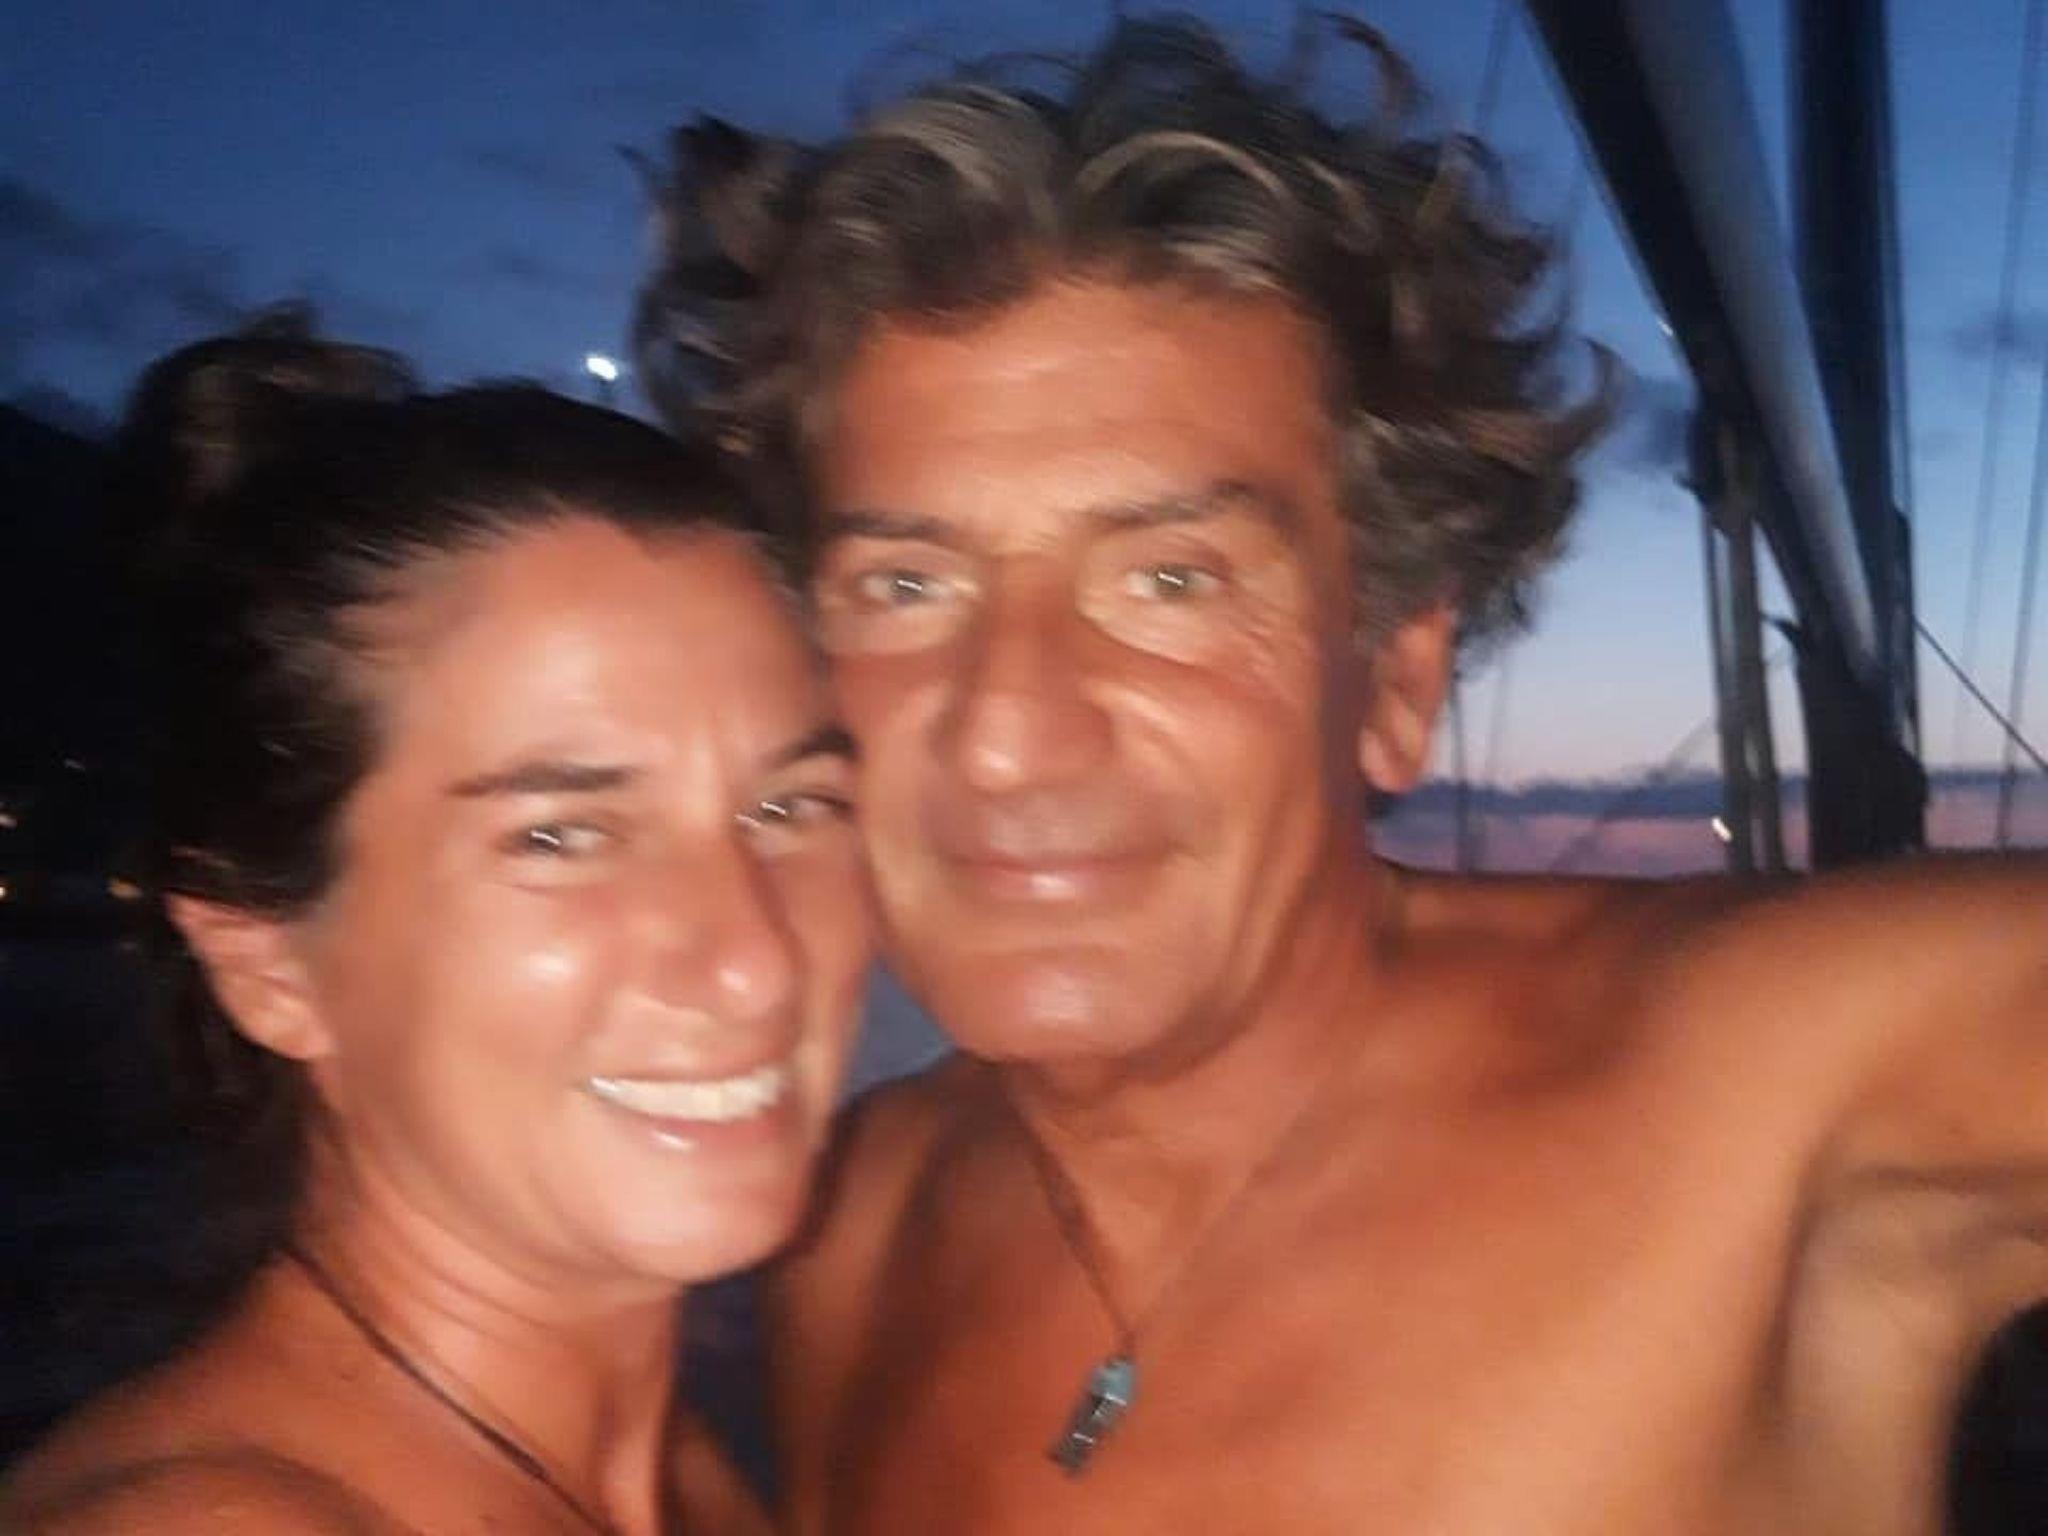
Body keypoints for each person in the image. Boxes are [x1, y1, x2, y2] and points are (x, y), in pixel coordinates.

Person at [635, 15, 2048, 1534]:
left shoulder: (1782, 1076)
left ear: (1393, 679)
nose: (1005, 730)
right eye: (906, 588)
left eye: (1169, 581)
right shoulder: (845, 1230)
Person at [0, 320, 871, 1536]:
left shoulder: (679, 1468)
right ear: (267, 963)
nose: (757, 962)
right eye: (561, 836)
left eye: (788, 808)